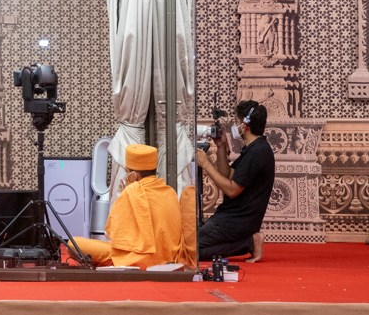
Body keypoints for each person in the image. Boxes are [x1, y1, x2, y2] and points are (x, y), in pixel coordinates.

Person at [71, 144, 188, 269]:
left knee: (73, 244)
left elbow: (111, 233)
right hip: (168, 257)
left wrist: (125, 193)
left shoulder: (131, 191)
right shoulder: (170, 191)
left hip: (137, 258)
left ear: (133, 175)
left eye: (127, 172)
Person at [195, 100, 275, 262]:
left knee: (189, 250)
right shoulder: (254, 149)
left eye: (236, 122)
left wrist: (205, 164)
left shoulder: (258, 152)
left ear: (245, 126)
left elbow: (231, 190)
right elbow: (228, 175)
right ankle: (248, 242)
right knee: (190, 244)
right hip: (232, 217)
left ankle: (249, 243)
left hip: (237, 220)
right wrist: (221, 147)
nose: (234, 126)